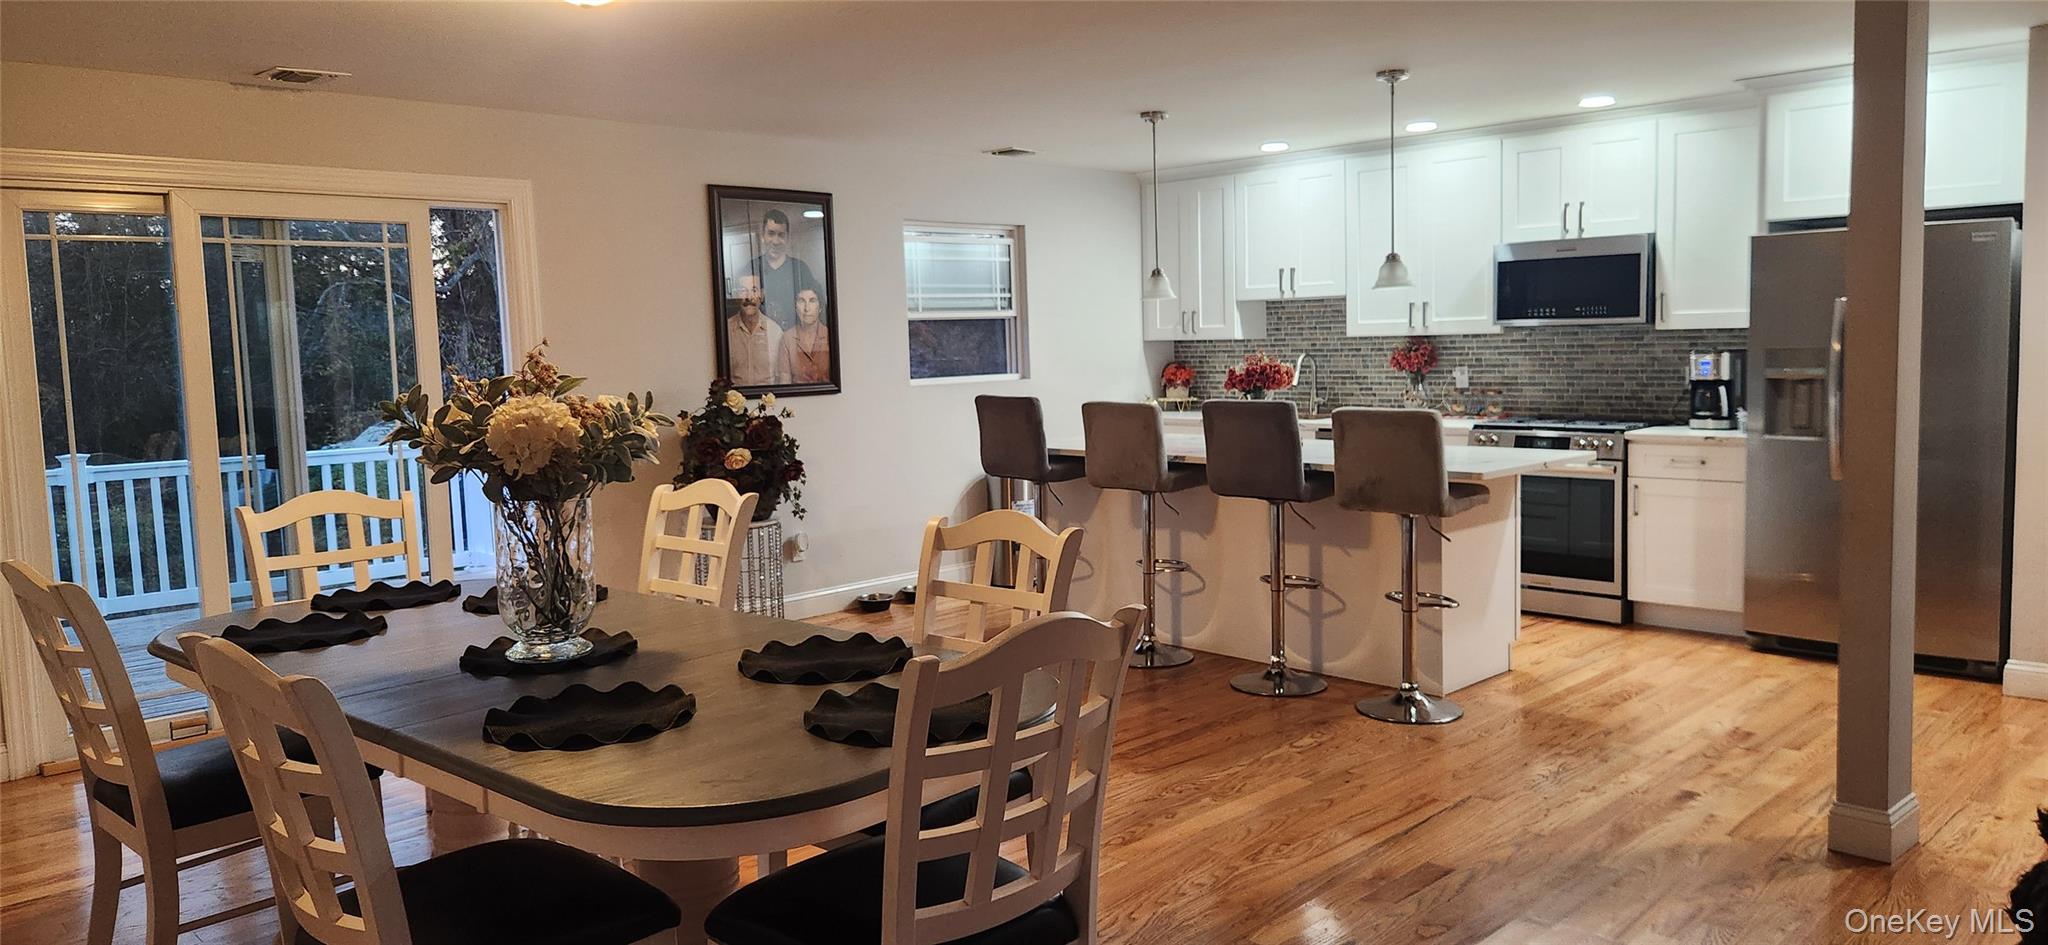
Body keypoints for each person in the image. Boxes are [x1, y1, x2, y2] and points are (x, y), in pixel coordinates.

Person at [741, 208, 819, 330]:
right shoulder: (752, 268)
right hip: (762, 338)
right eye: (771, 233)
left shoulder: (800, 269)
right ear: (763, 235)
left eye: (781, 235)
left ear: (787, 238)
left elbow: (815, 310)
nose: (776, 241)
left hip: (794, 341)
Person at [723, 273, 782, 385]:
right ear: (736, 295)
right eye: (743, 290)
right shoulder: (726, 331)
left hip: (769, 400)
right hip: (736, 400)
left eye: (754, 290)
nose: (749, 297)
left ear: (762, 295)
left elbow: (782, 379)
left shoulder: (775, 332)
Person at [775, 283, 832, 385]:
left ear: (820, 308)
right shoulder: (787, 338)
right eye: (801, 301)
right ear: (795, 308)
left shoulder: (830, 336)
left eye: (812, 301)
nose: (807, 308)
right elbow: (784, 382)